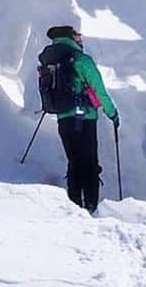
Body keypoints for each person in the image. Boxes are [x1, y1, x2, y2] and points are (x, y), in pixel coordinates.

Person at [39, 24, 118, 213]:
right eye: (77, 35)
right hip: (84, 118)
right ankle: (91, 206)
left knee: (74, 161)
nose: (80, 38)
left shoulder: (49, 60)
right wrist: (112, 113)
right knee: (89, 162)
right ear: (71, 37)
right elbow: (98, 89)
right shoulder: (81, 60)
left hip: (63, 118)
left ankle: (74, 206)